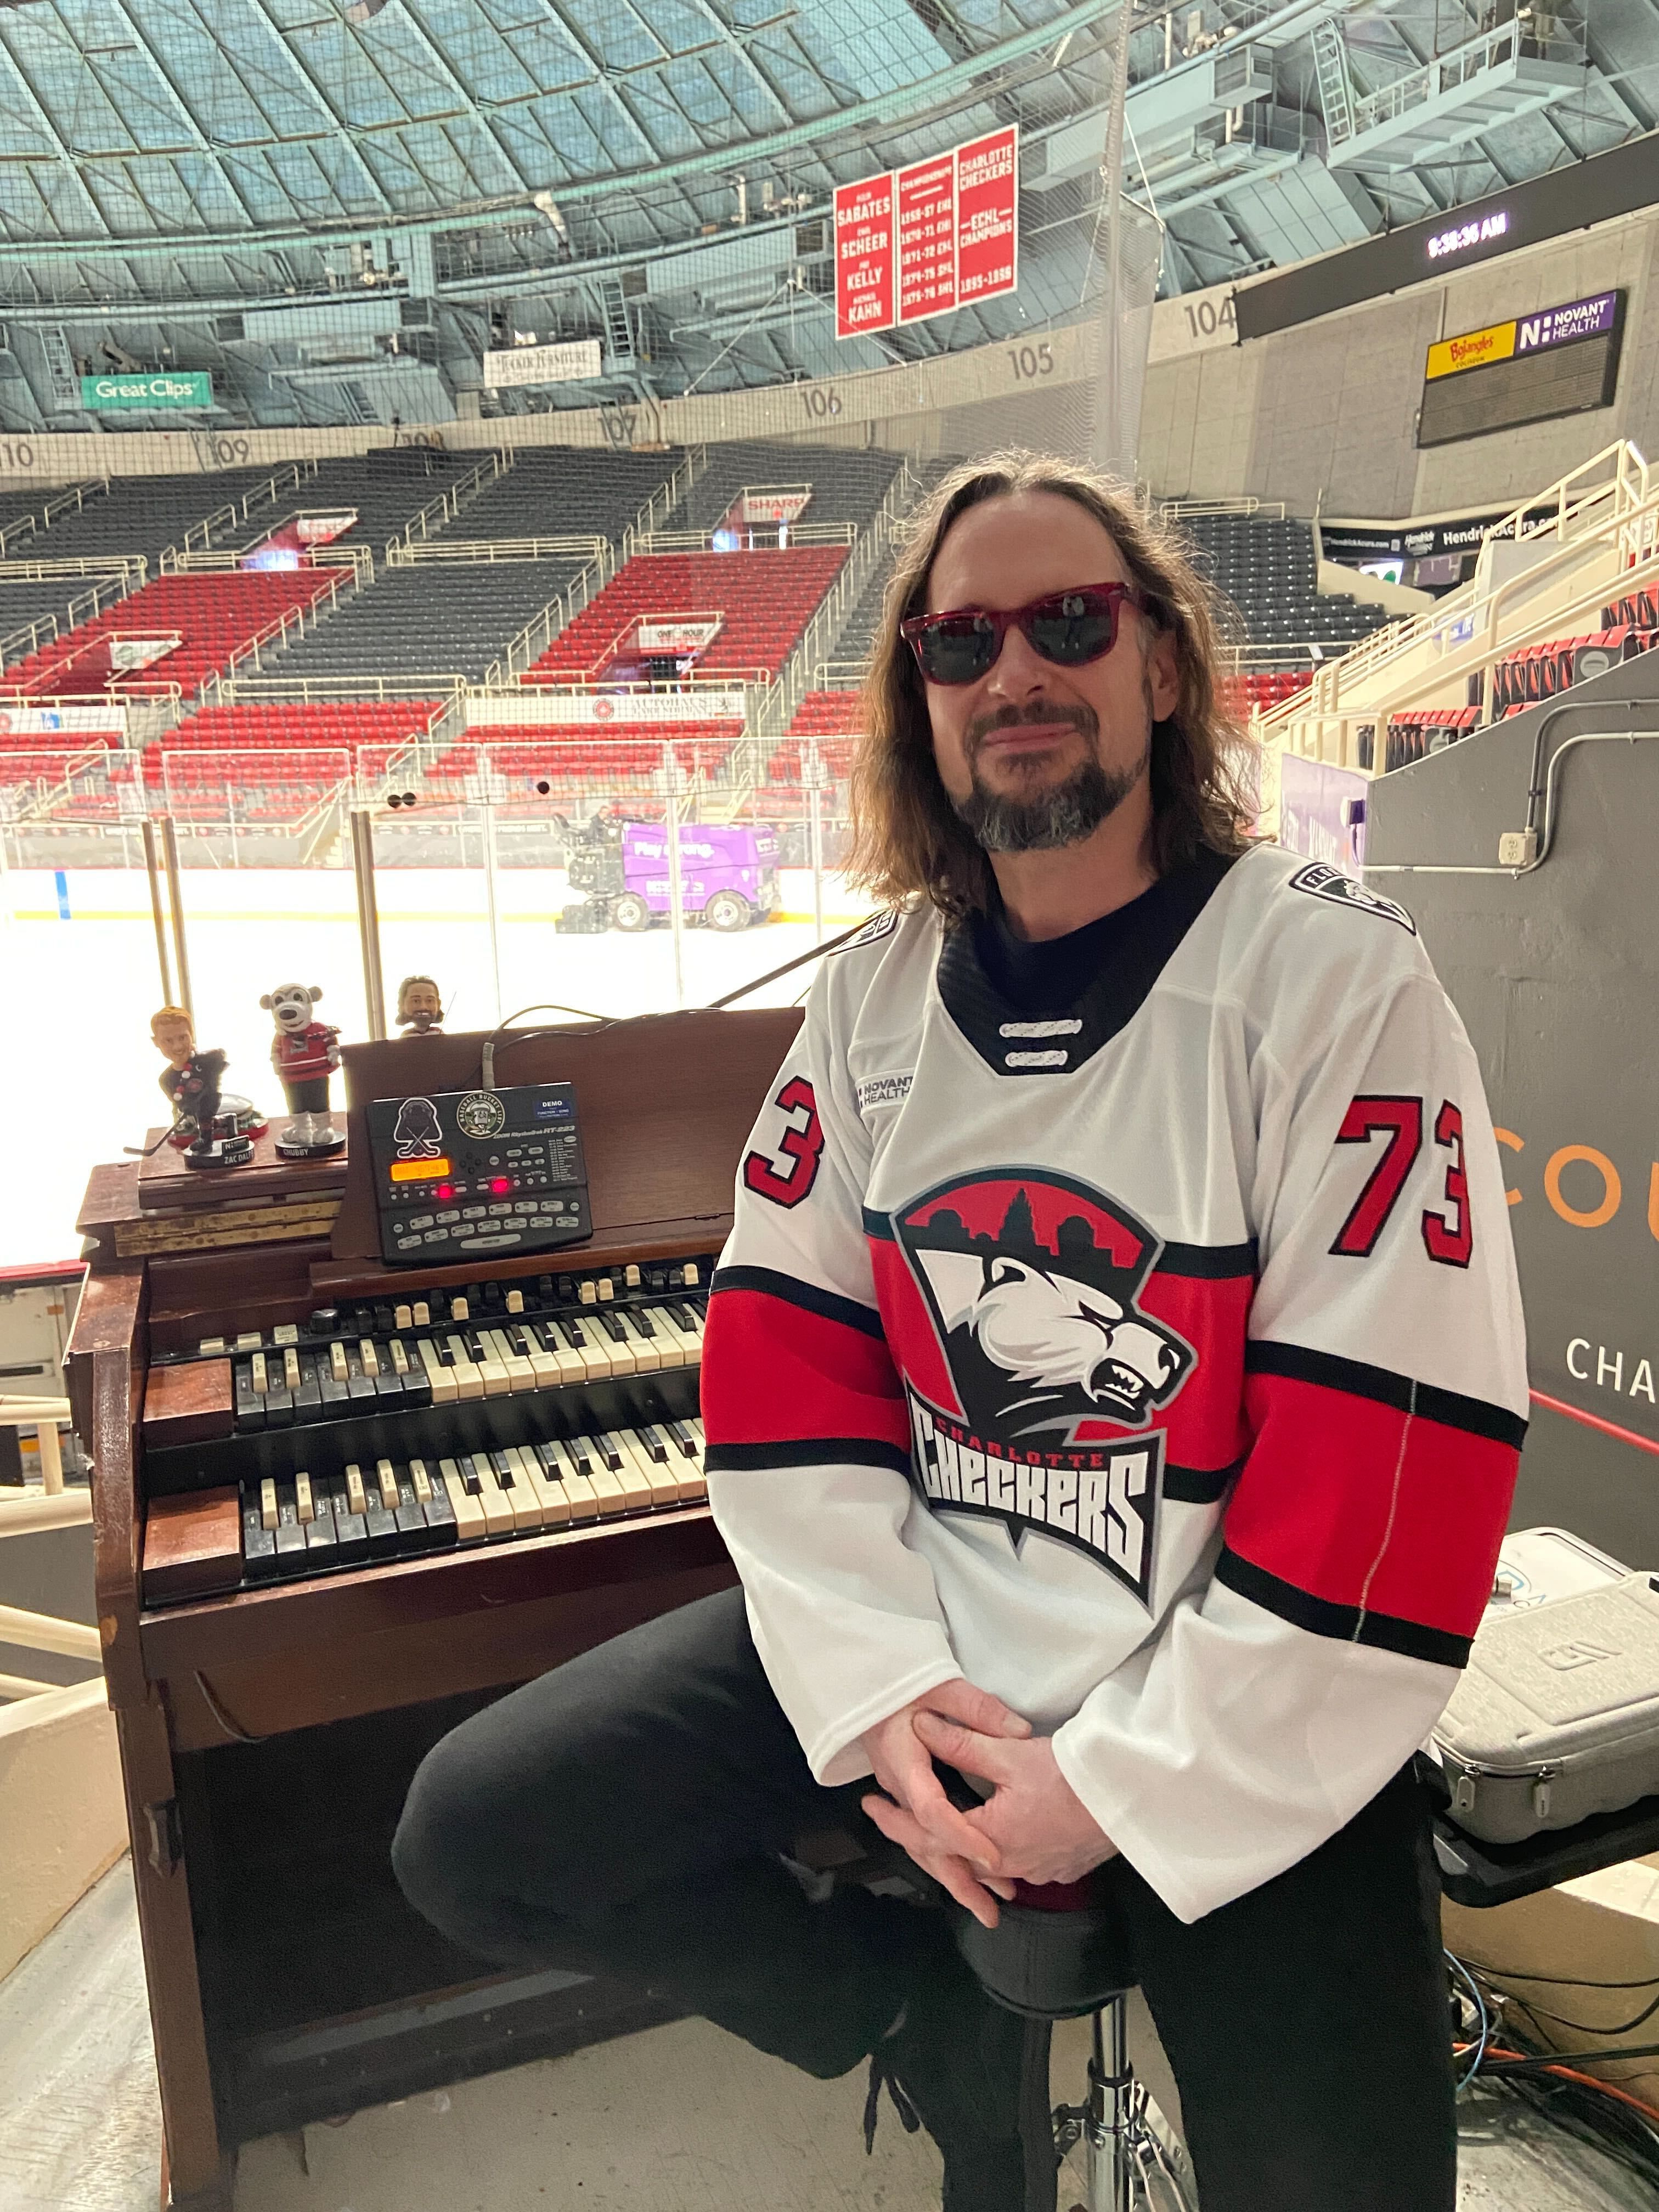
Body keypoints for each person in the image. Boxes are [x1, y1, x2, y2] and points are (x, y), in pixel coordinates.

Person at [392, 452, 1527, 2211]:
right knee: (479, 1832)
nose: (1016, 673)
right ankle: (906, 2006)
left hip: (1236, 1691)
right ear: (917, 703)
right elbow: (783, 1370)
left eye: (1072, 622)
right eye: (959, 642)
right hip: (944, 1638)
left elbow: (1395, 1465)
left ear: (1162, 667)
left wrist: (1116, 1790)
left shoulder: (1332, 980)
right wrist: (881, 1685)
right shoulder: (867, 999)